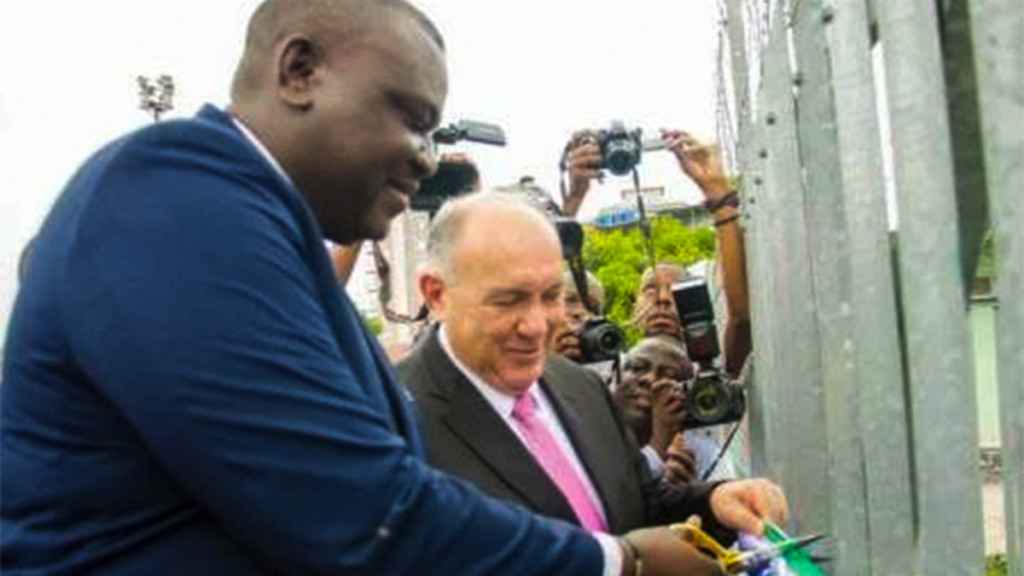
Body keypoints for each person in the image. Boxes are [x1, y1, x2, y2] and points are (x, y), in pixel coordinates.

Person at [0, 2, 729, 575]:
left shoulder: (254, 227)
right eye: (411, 119)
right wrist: (619, 561)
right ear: (299, 71)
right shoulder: (173, 200)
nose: (426, 158)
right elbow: (355, 513)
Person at [399, 192, 787, 540]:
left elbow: (641, 501)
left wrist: (714, 501)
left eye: (551, 296)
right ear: (437, 294)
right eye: (508, 300)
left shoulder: (581, 385)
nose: (536, 325)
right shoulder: (392, 422)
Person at [563, 129, 752, 377]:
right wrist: (574, 198)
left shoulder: (711, 374)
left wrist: (717, 192)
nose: (663, 300)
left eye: (677, 292)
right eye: (651, 289)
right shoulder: (603, 376)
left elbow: (741, 318)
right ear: (634, 309)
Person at [617, 336, 737, 481]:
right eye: (637, 368)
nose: (649, 379)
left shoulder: (704, 456)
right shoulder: (594, 434)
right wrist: (658, 448)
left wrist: (690, 491)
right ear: (614, 377)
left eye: (668, 375)